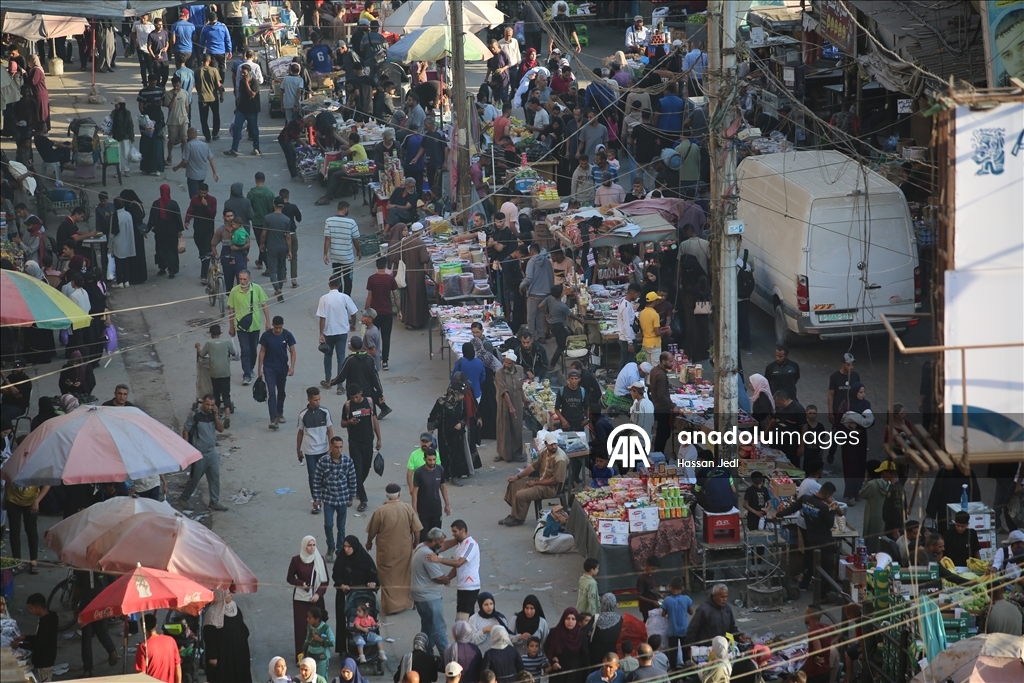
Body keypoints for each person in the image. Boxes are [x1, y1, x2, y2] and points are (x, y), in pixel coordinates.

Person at [366, 483, 424, 614]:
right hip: (404, 549)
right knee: (404, 575)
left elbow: (372, 531)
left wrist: (369, 542)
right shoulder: (407, 509)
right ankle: (406, 602)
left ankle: (391, 606)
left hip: (386, 551)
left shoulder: (380, 511)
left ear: (387, 495)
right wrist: (416, 543)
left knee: (387, 577)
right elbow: (417, 529)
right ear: (399, 495)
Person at [775, 483, 841, 589]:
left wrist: (778, 514)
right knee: (826, 566)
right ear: (827, 495)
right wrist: (832, 510)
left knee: (810, 559)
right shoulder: (823, 507)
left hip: (810, 537)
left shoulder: (805, 499)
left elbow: (792, 509)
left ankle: (805, 582)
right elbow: (830, 524)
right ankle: (823, 593)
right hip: (824, 540)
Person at [501, 433, 569, 527]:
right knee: (514, 484)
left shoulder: (559, 458)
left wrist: (536, 483)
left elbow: (555, 480)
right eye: (551, 445)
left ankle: (518, 518)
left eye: (555, 444)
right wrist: (517, 477)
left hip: (550, 488)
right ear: (546, 444)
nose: (554, 447)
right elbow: (533, 467)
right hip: (541, 480)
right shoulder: (545, 452)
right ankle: (513, 514)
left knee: (521, 495)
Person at [312, 434, 357, 561]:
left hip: (343, 498)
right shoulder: (323, 461)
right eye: (336, 447)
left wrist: (351, 497)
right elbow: (317, 481)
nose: (339, 450)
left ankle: (339, 550)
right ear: (331, 447)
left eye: (341, 447)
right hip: (329, 499)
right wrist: (316, 498)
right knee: (328, 525)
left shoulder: (348, 461)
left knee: (341, 527)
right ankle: (330, 546)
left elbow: (352, 480)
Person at [179, 395, 228, 511]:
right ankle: (184, 498)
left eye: (212, 405)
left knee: (215, 477)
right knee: (195, 478)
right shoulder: (195, 415)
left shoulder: (213, 414)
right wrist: (186, 449)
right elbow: (186, 430)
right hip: (199, 453)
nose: (209, 407)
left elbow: (221, 429)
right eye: (207, 404)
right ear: (202, 404)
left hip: (212, 452)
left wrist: (216, 416)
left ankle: (214, 502)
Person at [332, 534, 380, 653]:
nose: (346, 549)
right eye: (345, 546)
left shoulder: (365, 559)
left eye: (349, 547)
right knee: (344, 621)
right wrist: (341, 584)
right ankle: (344, 648)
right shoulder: (342, 559)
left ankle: (370, 650)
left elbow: (374, 576)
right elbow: (336, 575)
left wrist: (372, 584)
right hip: (345, 596)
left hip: (363, 597)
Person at [287, 536, 330, 657]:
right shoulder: (296, 560)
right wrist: (302, 584)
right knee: (301, 627)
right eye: (309, 545)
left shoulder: (319, 559)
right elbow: (290, 578)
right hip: (301, 600)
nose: (312, 548)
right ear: (304, 546)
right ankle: (301, 655)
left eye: (314, 545)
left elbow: (325, 581)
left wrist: (318, 594)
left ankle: (319, 654)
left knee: (318, 626)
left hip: (316, 600)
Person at [227, 269, 271, 385]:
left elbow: (264, 305)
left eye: (244, 279)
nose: (242, 281)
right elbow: (231, 309)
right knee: (245, 350)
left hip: (255, 325)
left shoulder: (257, 289)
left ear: (250, 279)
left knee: (253, 349)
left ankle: (250, 368)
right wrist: (231, 326)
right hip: (241, 327)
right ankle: (246, 374)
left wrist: (268, 321)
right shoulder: (234, 291)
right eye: (240, 279)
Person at [412, 527, 451, 656]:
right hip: (429, 598)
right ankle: (448, 658)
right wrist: (447, 579)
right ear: (434, 541)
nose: (441, 545)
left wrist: (456, 541)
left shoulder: (421, 547)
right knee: (438, 629)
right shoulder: (428, 555)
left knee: (427, 628)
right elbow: (438, 577)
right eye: (440, 542)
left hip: (420, 598)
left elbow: (442, 547)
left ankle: (425, 656)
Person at [256, 315, 297, 429]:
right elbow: (262, 351)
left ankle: (280, 412)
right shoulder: (267, 335)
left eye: (280, 327)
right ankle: (273, 418)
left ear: (282, 326)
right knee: (272, 392)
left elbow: (293, 351)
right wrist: (259, 369)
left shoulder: (287, 335)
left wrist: (292, 367)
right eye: (276, 327)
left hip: (282, 367)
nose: (278, 329)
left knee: (281, 391)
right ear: (273, 325)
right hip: (269, 368)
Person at [202, 590, 253, 683]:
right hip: (223, 656)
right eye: (228, 593)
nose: (231, 595)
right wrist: (213, 656)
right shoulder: (212, 613)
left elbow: (241, 625)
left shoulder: (234, 607)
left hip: (239, 653)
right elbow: (209, 637)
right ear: (220, 595)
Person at [429, 377, 473, 483]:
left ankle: (455, 476)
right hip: (444, 431)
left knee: (456, 453)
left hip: (457, 433)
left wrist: (460, 424)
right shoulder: (441, 402)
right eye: (461, 394)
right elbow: (433, 415)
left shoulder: (461, 403)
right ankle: (446, 475)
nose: (462, 396)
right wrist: (431, 427)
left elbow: (464, 416)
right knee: (445, 453)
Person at [75, 571, 118, 677]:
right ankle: (87, 669)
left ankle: (112, 651)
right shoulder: (82, 568)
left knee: (102, 633)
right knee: (86, 639)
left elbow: (114, 585)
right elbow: (78, 588)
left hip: (101, 606)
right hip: (86, 607)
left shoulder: (104, 567)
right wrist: (74, 604)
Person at [839, 382, 874, 503]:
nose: (863, 394)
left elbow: (870, 420)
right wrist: (848, 425)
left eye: (864, 392)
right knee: (850, 465)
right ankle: (849, 494)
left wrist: (861, 426)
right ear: (854, 392)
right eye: (860, 392)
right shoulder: (846, 404)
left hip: (861, 437)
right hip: (848, 439)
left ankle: (858, 491)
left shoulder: (866, 404)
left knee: (860, 464)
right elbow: (839, 420)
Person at [826, 353, 860, 464]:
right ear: (843, 364)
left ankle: (850, 456)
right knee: (836, 435)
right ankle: (831, 453)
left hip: (852, 412)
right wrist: (830, 411)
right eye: (848, 365)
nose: (851, 367)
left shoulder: (855, 376)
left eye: (852, 365)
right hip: (838, 412)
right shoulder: (835, 377)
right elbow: (831, 395)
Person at [324, 201, 362, 295]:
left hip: (335, 256)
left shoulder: (329, 221)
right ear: (346, 209)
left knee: (337, 278)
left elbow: (327, 238)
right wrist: (359, 251)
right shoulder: (351, 222)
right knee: (348, 278)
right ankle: (346, 298)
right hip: (347, 257)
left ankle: (338, 297)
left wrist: (325, 254)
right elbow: (355, 240)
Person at [196, 325, 233, 420]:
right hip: (225, 372)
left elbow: (202, 355)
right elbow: (233, 352)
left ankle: (218, 412)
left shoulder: (209, 343)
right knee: (226, 393)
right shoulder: (226, 342)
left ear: (211, 334)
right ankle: (227, 413)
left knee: (216, 392)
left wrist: (198, 347)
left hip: (214, 372)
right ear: (220, 333)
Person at [148, 184, 184, 278]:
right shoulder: (173, 204)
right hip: (172, 233)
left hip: (160, 232)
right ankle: (172, 270)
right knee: (171, 250)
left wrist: (147, 229)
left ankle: (162, 267)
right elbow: (178, 218)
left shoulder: (156, 204)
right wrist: (180, 230)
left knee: (160, 250)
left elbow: (152, 219)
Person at [133, 613, 181, 683]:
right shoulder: (171, 640)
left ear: (143, 628)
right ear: (156, 625)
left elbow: (141, 674)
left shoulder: (143, 647)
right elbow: (178, 666)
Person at [225, 64, 261, 156]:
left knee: (253, 129)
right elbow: (241, 96)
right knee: (237, 128)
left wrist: (247, 84)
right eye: (242, 73)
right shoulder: (241, 81)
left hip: (252, 110)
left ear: (249, 72)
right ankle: (234, 149)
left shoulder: (254, 82)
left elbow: (252, 94)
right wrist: (237, 108)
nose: (243, 75)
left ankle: (256, 148)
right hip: (241, 109)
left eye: (244, 73)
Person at [546, 608, 589, 683]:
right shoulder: (555, 633)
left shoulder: (580, 635)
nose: (570, 622)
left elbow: (585, 657)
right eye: (568, 618)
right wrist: (553, 662)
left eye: (573, 619)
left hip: (574, 674)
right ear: (563, 619)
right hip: (558, 673)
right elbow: (547, 649)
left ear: (577, 621)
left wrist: (587, 676)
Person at [174, 128, 218, 200]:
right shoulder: (205, 145)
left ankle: (196, 209)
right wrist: (215, 173)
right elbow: (211, 159)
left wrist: (177, 167)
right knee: (200, 194)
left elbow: (185, 161)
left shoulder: (189, 145)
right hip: (202, 175)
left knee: (194, 197)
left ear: (189, 135)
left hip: (192, 176)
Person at [197, 53, 225, 142]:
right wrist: (221, 95)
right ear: (209, 61)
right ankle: (215, 134)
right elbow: (218, 85)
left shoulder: (197, 71)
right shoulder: (214, 70)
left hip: (202, 98)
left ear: (202, 60)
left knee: (204, 118)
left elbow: (196, 85)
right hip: (213, 97)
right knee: (216, 115)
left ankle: (207, 136)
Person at [303, 606, 335, 680]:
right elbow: (307, 639)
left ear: (317, 619)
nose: (307, 619)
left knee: (321, 677)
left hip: (322, 657)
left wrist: (320, 639)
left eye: (309, 618)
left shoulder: (326, 628)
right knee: (310, 676)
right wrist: (304, 651)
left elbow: (332, 642)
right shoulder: (309, 626)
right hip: (311, 655)